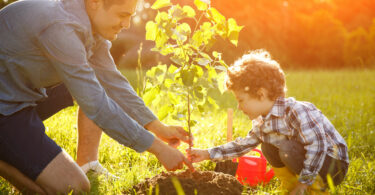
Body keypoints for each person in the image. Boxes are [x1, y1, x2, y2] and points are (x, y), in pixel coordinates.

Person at [0, 0, 194, 193]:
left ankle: (87, 164)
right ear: (95, 3)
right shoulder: (61, 27)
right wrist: (158, 149)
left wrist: (158, 127)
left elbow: (113, 83)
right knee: (74, 187)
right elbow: (97, 105)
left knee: (95, 84)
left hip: (19, 93)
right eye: (122, 15)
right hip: (5, 110)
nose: (126, 24)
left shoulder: (89, 27)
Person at [187, 50, 349, 194]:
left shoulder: (297, 111)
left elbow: (317, 146)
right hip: (308, 160)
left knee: (287, 148)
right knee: (268, 145)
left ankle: (316, 190)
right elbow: (243, 145)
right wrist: (206, 153)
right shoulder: (262, 122)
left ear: (261, 94)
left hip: (333, 165)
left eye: (241, 100)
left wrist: (303, 182)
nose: (239, 106)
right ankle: (290, 187)